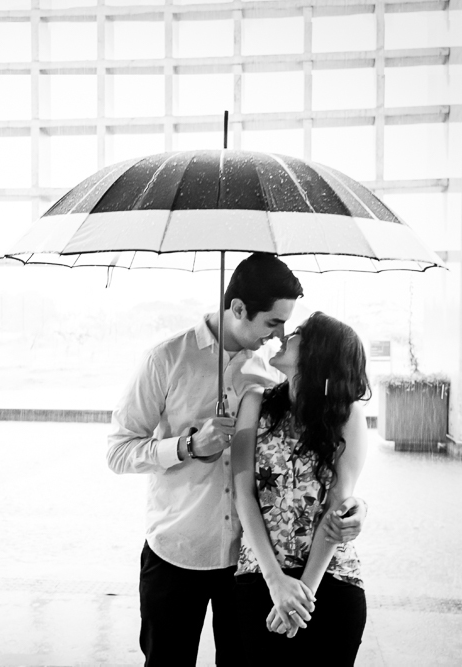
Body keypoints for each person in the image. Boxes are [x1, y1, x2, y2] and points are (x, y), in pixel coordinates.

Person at [107, 252, 368, 667]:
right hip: (179, 549)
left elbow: (316, 462)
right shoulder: (165, 360)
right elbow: (118, 451)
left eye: (287, 324)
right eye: (273, 323)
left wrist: (355, 507)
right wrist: (187, 447)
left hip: (247, 564)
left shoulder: (273, 373)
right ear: (239, 309)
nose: (280, 335)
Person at [230, 311, 370, 665]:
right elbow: (242, 491)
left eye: (298, 334)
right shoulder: (254, 402)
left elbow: (338, 507)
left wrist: (303, 594)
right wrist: (276, 582)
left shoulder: (347, 415)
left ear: (317, 354)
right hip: (261, 578)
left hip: (330, 582)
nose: (286, 335)